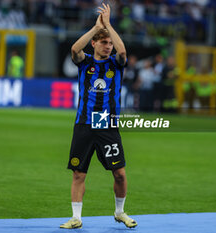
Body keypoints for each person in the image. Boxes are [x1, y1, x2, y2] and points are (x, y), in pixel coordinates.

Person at [60, 3, 137, 229]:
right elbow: (74, 49)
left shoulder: (116, 63)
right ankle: (76, 217)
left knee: (120, 174)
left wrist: (109, 26)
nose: (108, 46)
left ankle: (119, 212)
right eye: (104, 42)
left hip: (107, 125)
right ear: (94, 43)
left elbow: (123, 52)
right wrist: (95, 29)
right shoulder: (85, 63)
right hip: (84, 124)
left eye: (110, 42)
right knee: (78, 173)